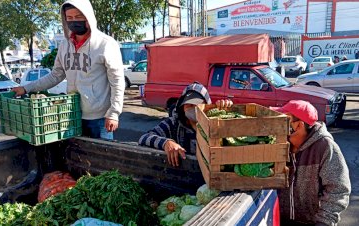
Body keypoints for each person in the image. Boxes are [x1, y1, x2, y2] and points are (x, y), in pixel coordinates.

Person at [12, 0, 125, 139]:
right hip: (72, 114)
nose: (73, 22)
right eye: (69, 18)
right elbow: (55, 75)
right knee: (76, 157)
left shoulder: (106, 44)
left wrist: (114, 113)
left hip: (100, 118)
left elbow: (117, 81)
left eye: (78, 17)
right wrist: (26, 88)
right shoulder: (64, 45)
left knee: (100, 158)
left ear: (88, 17)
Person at [271, 100, 351, 226]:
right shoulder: (278, 144)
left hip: (313, 222)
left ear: (299, 126)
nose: (278, 124)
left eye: (284, 120)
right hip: (279, 220)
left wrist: (324, 222)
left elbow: (338, 189)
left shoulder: (325, 147)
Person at [139, 83, 232, 167]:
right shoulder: (173, 124)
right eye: (188, 105)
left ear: (207, 105)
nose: (193, 109)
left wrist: (228, 110)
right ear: (182, 107)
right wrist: (166, 143)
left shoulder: (216, 122)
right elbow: (144, 138)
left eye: (197, 105)